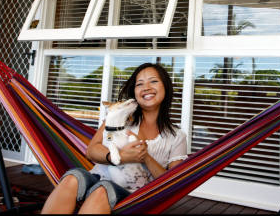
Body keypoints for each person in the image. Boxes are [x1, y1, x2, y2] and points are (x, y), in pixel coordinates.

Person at [41, 63, 188, 214]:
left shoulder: (176, 136)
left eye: (153, 81)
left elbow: (172, 183)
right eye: (140, 84)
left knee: (103, 190)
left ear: (166, 86)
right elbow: (91, 151)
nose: (146, 87)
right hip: (97, 177)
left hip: (133, 195)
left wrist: (146, 158)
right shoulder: (119, 119)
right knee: (72, 178)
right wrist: (120, 156)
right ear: (134, 92)